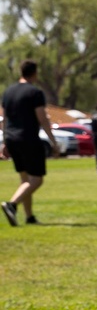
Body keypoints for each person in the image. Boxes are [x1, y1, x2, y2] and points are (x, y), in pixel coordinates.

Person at [1, 59, 58, 226]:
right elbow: (42, 118)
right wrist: (53, 141)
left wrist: (5, 141)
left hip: (12, 138)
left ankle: (29, 217)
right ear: (35, 73)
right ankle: (12, 205)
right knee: (37, 179)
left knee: (25, 180)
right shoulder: (35, 92)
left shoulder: (8, 92)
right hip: (28, 138)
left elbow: (4, 119)